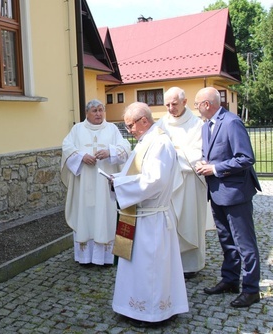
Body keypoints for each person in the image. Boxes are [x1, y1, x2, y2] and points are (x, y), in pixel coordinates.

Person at [111, 102, 188, 327]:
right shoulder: (146, 141)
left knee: (150, 268)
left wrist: (121, 186)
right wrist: (117, 183)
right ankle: (132, 305)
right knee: (136, 266)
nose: (129, 131)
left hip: (152, 218)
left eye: (130, 126)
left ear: (143, 120)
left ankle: (152, 313)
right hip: (138, 214)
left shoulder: (160, 143)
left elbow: (154, 181)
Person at [194, 87, 262, 308]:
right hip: (216, 192)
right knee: (226, 241)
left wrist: (214, 169)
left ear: (207, 104)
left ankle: (251, 289)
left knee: (245, 244)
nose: (195, 108)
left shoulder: (232, 123)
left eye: (197, 104)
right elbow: (209, 154)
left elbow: (245, 158)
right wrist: (203, 163)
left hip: (236, 193)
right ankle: (230, 280)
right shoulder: (206, 127)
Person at [61, 99, 131, 265]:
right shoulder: (77, 129)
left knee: (104, 215)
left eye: (101, 110)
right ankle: (84, 258)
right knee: (84, 215)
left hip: (104, 185)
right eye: (94, 110)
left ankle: (104, 258)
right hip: (83, 183)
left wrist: (110, 152)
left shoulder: (112, 129)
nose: (99, 114)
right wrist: (81, 156)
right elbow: (67, 147)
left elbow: (125, 146)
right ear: (87, 113)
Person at [156, 87, 213, 279]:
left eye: (174, 104)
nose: (170, 108)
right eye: (167, 105)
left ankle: (191, 266)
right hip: (169, 183)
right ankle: (171, 262)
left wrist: (173, 153)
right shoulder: (161, 123)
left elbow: (200, 154)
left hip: (189, 182)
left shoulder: (197, 125)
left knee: (190, 221)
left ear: (185, 102)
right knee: (170, 223)